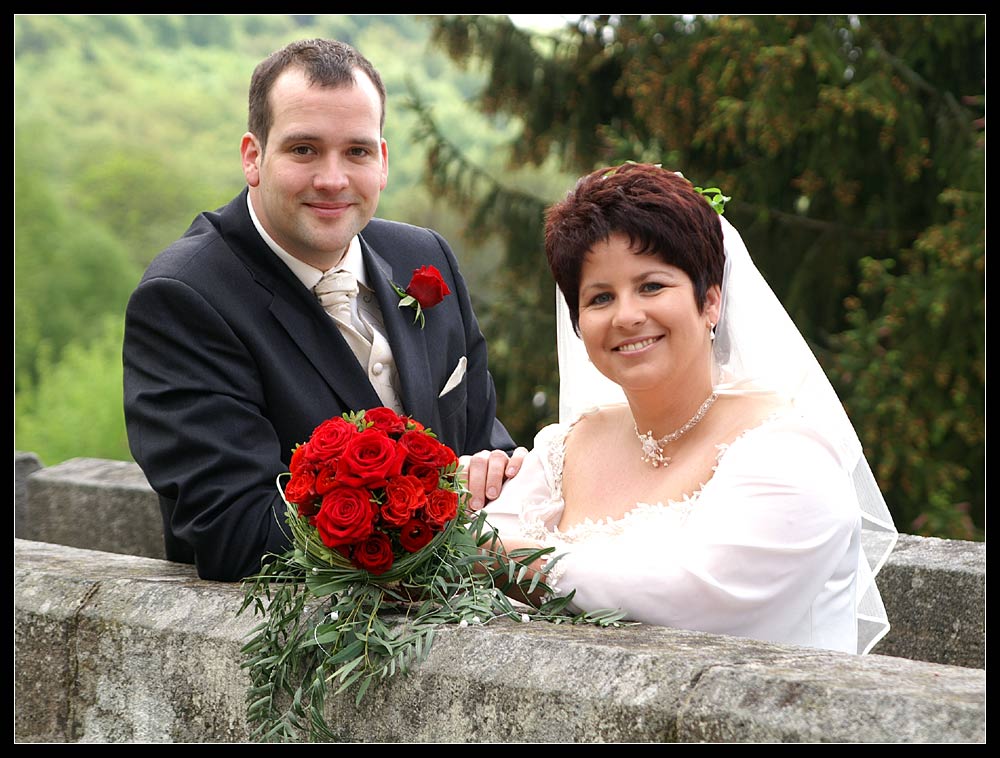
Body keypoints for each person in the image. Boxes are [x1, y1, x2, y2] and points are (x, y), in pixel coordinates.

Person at [123, 38, 525, 582]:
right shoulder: (184, 298)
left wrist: (503, 472)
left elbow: (483, 443)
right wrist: (433, 518)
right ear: (253, 156)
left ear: (382, 161)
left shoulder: (425, 257)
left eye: (356, 151)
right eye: (304, 149)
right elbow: (235, 530)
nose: (332, 179)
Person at [481, 162, 898, 655]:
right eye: (600, 298)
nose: (628, 316)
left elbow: (701, 598)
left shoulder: (790, 448)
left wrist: (513, 558)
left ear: (711, 302)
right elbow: (476, 543)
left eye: (652, 286)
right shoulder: (568, 443)